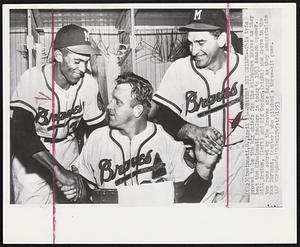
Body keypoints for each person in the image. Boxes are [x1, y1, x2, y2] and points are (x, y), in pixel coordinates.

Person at [61, 72, 219, 203]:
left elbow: (186, 199)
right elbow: (86, 194)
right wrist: (75, 190)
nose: (109, 106)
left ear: (137, 111)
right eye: (112, 100)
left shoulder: (166, 140)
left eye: (118, 102)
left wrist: (203, 169)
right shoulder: (97, 139)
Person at [151, 9, 248, 203]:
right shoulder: (180, 68)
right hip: (196, 158)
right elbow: (162, 114)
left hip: (239, 159)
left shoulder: (247, 66)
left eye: (201, 42)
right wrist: (194, 132)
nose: (194, 50)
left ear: (221, 39)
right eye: (191, 43)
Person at [10, 24, 106, 204]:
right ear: (59, 56)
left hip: (69, 151)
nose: (83, 68)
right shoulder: (32, 79)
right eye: (77, 61)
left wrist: (87, 169)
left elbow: (98, 131)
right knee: (32, 220)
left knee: (74, 214)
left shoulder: (88, 84)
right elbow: (21, 132)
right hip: (33, 155)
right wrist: (58, 171)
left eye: (86, 61)